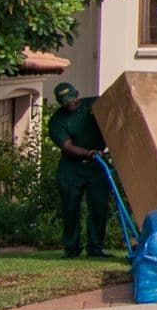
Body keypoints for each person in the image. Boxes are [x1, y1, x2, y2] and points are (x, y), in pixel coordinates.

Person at [48, 82, 113, 258]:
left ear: (77, 93)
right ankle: (71, 249)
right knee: (70, 208)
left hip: (97, 167)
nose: (71, 104)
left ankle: (95, 248)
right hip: (72, 167)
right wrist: (90, 153)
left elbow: (114, 109)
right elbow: (67, 147)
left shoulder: (93, 104)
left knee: (98, 207)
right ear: (59, 103)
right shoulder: (56, 122)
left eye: (73, 99)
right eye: (66, 102)